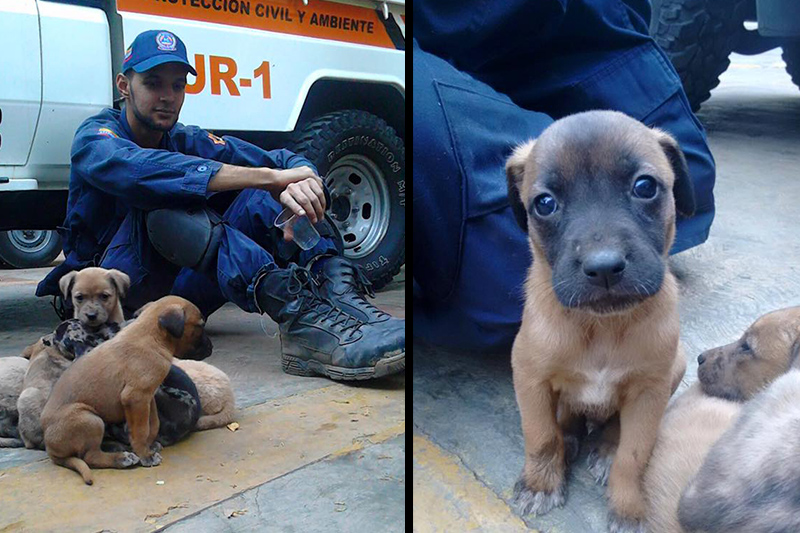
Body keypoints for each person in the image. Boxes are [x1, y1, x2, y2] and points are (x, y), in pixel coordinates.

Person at [36, 29, 404, 381]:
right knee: (170, 205)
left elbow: (277, 159)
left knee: (271, 193)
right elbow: (137, 170)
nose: (167, 96)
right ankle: (300, 316)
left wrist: (301, 175)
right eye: (153, 84)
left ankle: (345, 301)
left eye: (177, 85)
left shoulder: (183, 137)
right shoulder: (97, 135)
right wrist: (268, 178)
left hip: (180, 293)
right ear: (124, 86)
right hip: (117, 297)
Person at [413, 0, 717, 354]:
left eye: (644, 188)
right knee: (514, 284)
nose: (602, 256)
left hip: (539, 22)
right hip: (415, 28)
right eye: (543, 203)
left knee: (692, 175)